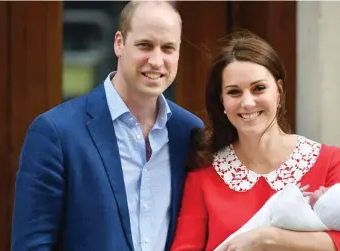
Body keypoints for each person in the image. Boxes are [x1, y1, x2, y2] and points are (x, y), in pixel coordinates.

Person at [11, 1, 203, 251]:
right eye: (145, 45)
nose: (156, 61)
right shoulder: (56, 132)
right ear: (119, 43)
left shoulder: (188, 131)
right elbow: (32, 245)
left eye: (168, 48)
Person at [170, 31, 340, 251]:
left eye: (259, 88)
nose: (247, 102)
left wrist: (268, 239)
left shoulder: (327, 161)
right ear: (222, 102)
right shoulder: (204, 174)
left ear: (279, 91)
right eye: (234, 92)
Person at [214, 183, 340, 251]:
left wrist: (292, 192)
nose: (322, 186)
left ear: (326, 206)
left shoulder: (305, 219)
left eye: (325, 191)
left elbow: (281, 212)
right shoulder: (314, 222)